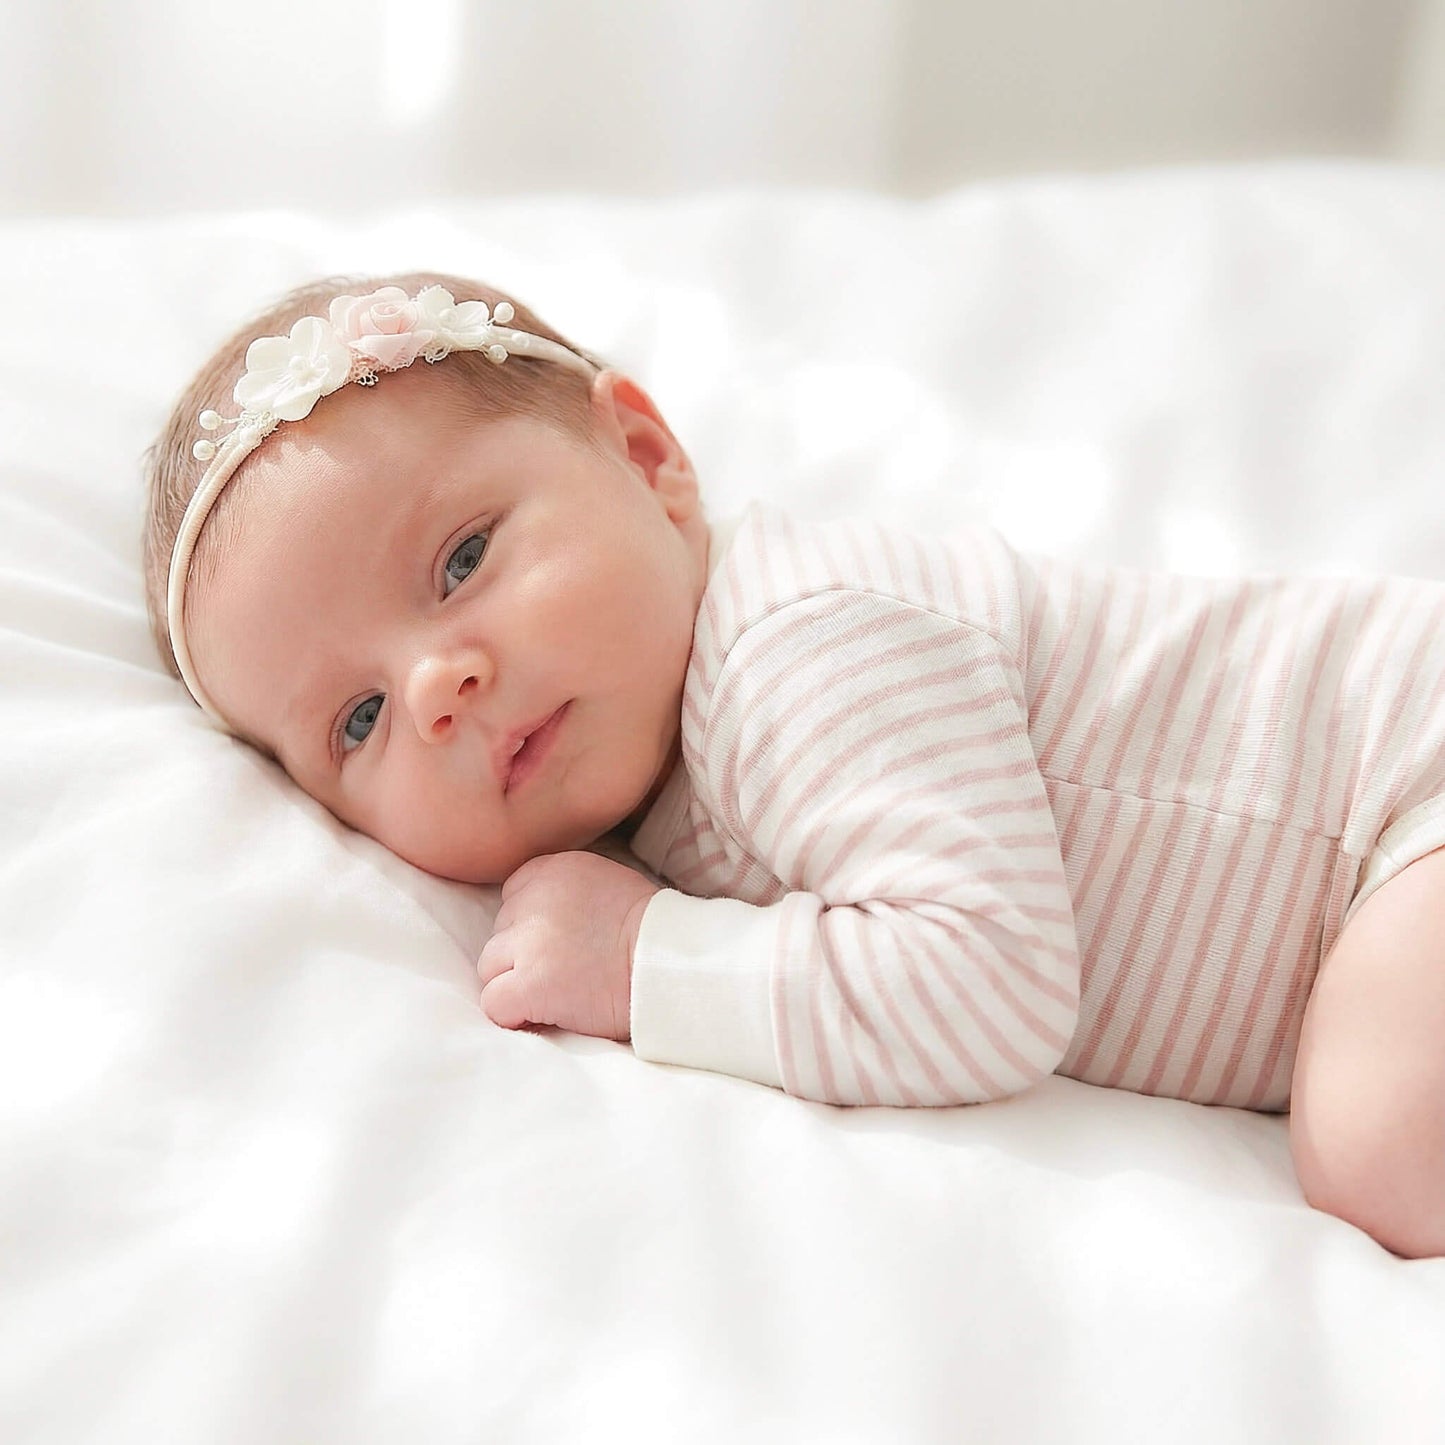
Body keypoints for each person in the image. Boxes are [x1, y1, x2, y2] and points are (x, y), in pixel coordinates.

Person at [144, 271, 1445, 1257]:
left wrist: (648, 961)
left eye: (464, 559)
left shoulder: (792, 647)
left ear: (649, 463)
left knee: (1379, 1136)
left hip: (1408, 773)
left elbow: (993, 978)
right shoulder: (658, 775)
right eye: (357, 721)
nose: (437, 687)